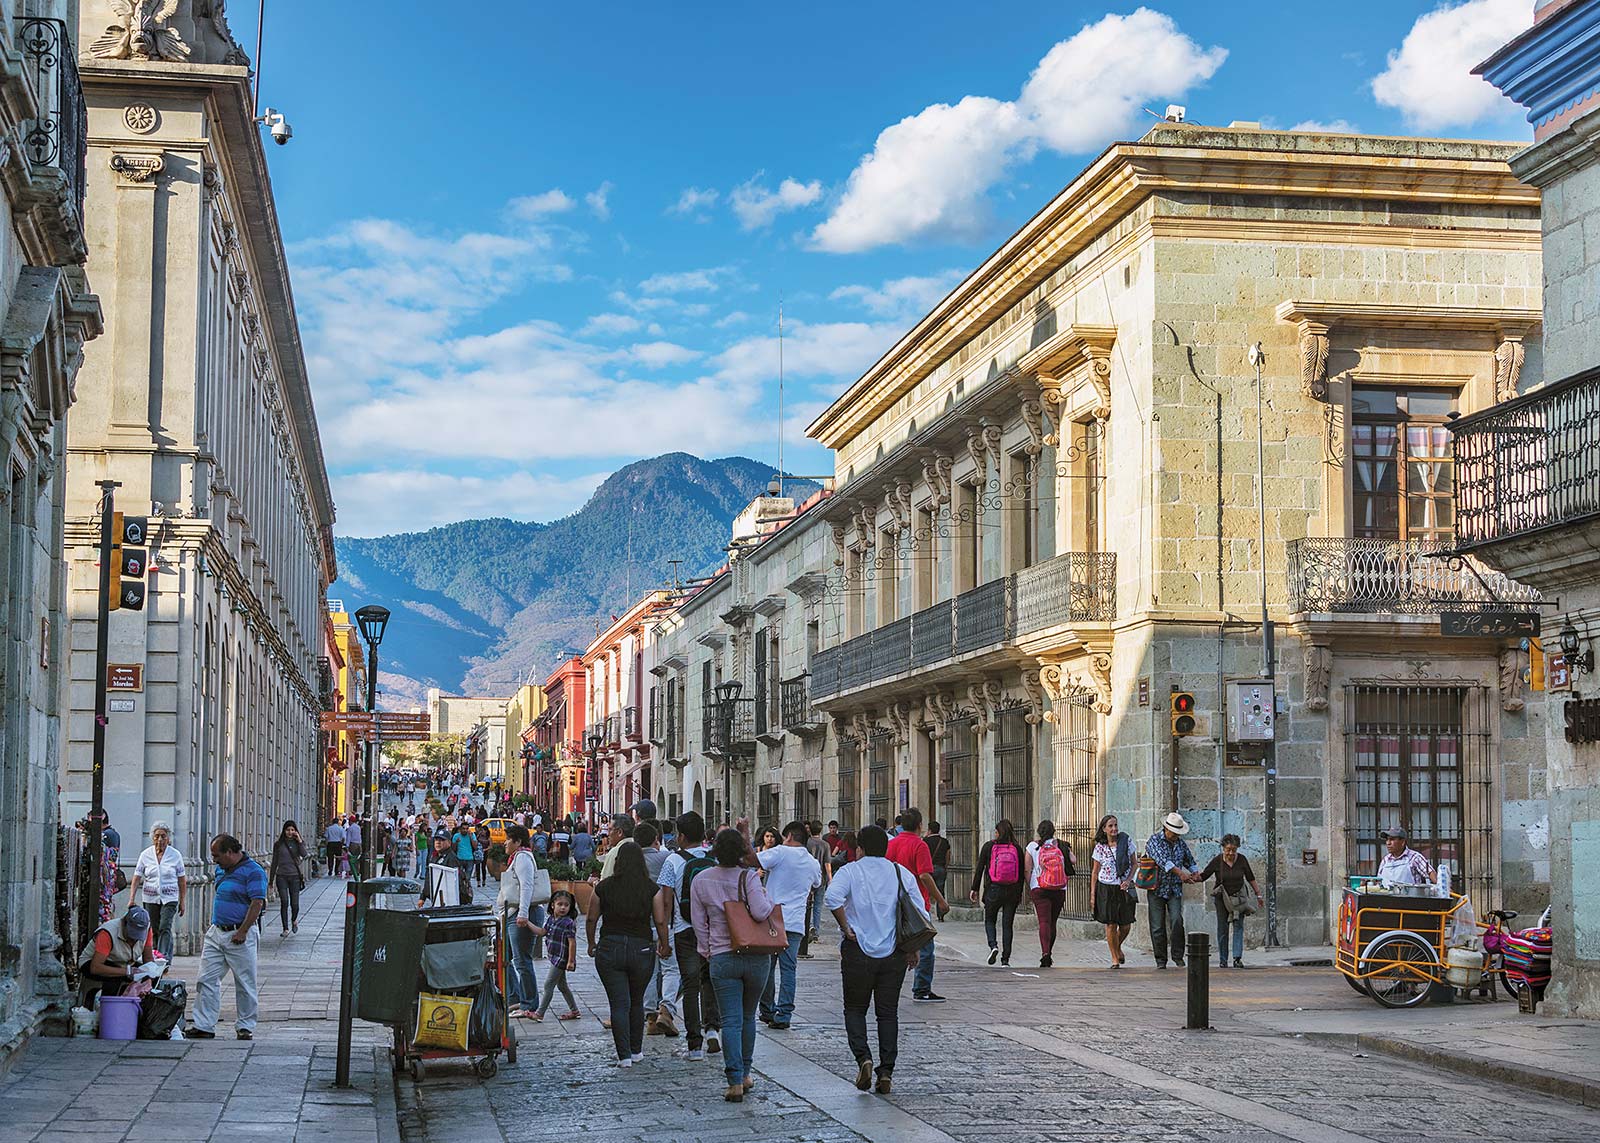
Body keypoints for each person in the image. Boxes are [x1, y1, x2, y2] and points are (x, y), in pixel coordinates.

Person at [825, 824, 927, 1096]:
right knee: (888, 1013)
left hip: (858, 951)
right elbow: (919, 910)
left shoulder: (850, 871)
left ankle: (863, 1058)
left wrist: (847, 927)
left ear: (860, 848)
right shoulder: (899, 872)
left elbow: (832, 897)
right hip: (894, 953)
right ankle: (886, 1072)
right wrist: (913, 948)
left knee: (855, 1009)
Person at [690, 828, 775, 1102]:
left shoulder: (701, 880)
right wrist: (768, 898)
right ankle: (747, 1072)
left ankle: (734, 1080)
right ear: (741, 852)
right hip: (755, 956)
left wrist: (707, 950)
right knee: (748, 1017)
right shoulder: (748, 877)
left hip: (722, 956)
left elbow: (698, 923)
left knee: (730, 1020)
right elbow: (762, 912)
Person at [585, 840, 672, 1067]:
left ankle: (623, 1056)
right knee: (636, 1001)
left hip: (610, 946)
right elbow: (660, 920)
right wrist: (664, 944)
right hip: (641, 948)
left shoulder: (603, 887)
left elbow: (592, 917)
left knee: (618, 1003)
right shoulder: (651, 888)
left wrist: (592, 942)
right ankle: (636, 1051)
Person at [186, 835, 267, 1040]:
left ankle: (245, 1026)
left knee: (245, 982)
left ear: (230, 852)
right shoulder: (222, 869)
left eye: (217, 855)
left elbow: (257, 902)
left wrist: (243, 931)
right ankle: (204, 1025)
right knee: (206, 979)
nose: (214, 860)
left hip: (240, 933)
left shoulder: (254, 872)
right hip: (217, 932)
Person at [657, 811, 720, 1062]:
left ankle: (695, 1045)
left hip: (685, 930)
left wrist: (664, 939)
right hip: (712, 928)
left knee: (690, 986)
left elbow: (666, 903)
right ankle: (713, 1029)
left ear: (681, 836)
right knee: (710, 981)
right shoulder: (713, 858)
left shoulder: (673, 861)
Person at [757, 821, 822, 1030]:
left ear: (790, 837)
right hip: (795, 921)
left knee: (767, 966)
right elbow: (817, 884)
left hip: (773, 918)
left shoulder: (780, 852)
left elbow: (754, 859)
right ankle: (784, 1014)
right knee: (789, 969)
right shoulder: (812, 863)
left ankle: (767, 1009)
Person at [886, 808, 948, 1001]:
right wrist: (941, 900)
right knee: (926, 946)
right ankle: (921, 988)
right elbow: (924, 875)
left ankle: (888, 985)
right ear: (920, 825)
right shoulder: (920, 846)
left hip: (893, 902)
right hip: (916, 904)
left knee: (893, 945)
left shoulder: (892, 844)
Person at [634, 822, 680, 1038]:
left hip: (640, 923)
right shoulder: (666, 858)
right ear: (656, 840)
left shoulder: (630, 861)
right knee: (671, 968)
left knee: (649, 972)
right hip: (665, 921)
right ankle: (666, 1010)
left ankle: (650, 1019)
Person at [969, 819, 1028, 967]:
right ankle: (1005, 960)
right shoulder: (1017, 848)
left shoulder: (989, 847)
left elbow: (980, 868)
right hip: (1012, 891)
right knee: (1007, 925)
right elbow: (1021, 874)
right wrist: (1019, 892)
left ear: (998, 832)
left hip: (993, 889)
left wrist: (974, 888)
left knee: (990, 920)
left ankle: (993, 945)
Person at [1200, 834, 1263, 968]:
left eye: (1234, 850)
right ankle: (1223, 960)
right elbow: (1204, 875)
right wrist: (1190, 877)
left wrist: (1258, 895)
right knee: (1223, 929)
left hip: (1239, 900)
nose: (1231, 853)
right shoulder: (1217, 861)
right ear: (1223, 848)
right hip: (1222, 900)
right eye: (1228, 849)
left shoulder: (1242, 860)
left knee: (1238, 927)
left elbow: (1251, 878)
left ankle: (1237, 958)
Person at [1145, 812, 1199, 969]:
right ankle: (1161, 959)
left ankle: (1177, 955)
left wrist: (1195, 872)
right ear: (1166, 829)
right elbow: (1163, 862)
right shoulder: (1154, 841)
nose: (1176, 836)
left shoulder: (1180, 844)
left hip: (1174, 888)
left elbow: (1189, 860)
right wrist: (1181, 873)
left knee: (1177, 921)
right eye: (1174, 833)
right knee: (1157, 926)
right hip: (1156, 887)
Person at [501, 825, 544, 1018]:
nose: (505, 843)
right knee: (504, 957)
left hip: (521, 914)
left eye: (508, 839)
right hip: (512, 913)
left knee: (522, 961)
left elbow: (526, 887)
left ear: (518, 842)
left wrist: (523, 914)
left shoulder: (523, 858)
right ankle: (515, 997)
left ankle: (529, 1004)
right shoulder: (517, 858)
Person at [128, 822, 187, 960]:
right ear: (152, 838)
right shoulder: (145, 855)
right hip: (150, 897)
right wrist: (131, 898)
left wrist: (182, 901)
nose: (160, 839)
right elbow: (137, 877)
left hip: (170, 897)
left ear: (168, 838)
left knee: (165, 926)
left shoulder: (175, 855)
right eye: (157, 836)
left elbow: (182, 880)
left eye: (163, 836)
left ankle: (163, 958)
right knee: (152, 928)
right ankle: (152, 955)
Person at [77, 906, 158, 1004]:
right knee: (114, 979)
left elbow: (148, 959)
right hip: (93, 963)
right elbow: (95, 967)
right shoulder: (107, 933)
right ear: (124, 923)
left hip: (123, 964)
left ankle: (138, 1011)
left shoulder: (147, 929)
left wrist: (149, 978)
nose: (134, 940)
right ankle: (109, 1011)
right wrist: (127, 971)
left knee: (154, 977)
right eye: (132, 935)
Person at [1089, 814, 1137, 968]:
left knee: (1125, 925)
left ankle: (1117, 946)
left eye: (1115, 825)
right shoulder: (1100, 847)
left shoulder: (1126, 841)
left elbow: (1135, 864)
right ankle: (1114, 958)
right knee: (1111, 924)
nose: (1114, 828)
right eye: (1110, 826)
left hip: (1124, 887)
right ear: (1104, 829)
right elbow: (1095, 872)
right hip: (1106, 888)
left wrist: (1128, 880)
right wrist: (1092, 894)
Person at [1026, 820, 1073, 968]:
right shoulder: (1061, 844)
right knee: (1052, 922)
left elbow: (1027, 869)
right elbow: (1074, 860)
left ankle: (1045, 953)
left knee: (1043, 922)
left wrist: (1031, 885)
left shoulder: (1032, 846)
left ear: (1039, 832)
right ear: (1053, 831)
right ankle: (1049, 953)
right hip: (1059, 888)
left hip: (1039, 888)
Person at [533, 890, 581, 1021]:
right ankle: (574, 1010)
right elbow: (542, 932)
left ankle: (539, 1013)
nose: (563, 907)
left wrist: (571, 961)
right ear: (553, 905)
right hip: (554, 957)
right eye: (560, 904)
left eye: (566, 905)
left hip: (561, 958)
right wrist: (528, 924)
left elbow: (572, 943)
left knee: (548, 985)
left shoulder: (568, 923)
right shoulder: (551, 919)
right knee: (562, 985)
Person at [268, 821, 307, 937]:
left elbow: (304, 854)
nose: (290, 832)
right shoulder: (278, 844)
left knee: (295, 904)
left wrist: (299, 841)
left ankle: (294, 920)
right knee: (284, 901)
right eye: (288, 830)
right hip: (281, 876)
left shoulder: (298, 843)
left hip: (295, 876)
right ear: (284, 831)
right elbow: (274, 862)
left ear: (295, 831)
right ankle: (285, 928)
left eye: (292, 830)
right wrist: (271, 880)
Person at [800, 820, 833, 957]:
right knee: (818, 906)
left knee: (804, 905)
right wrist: (830, 879)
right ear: (820, 830)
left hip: (806, 878)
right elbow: (827, 864)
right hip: (820, 879)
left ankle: (804, 930)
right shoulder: (825, 844)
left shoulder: (806, 843)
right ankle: (816, 931)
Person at [925, 821, 952, 922]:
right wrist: (946, 866)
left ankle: (926, 912)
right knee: (940, 891)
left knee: (926, 891)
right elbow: (948, 854)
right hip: (940, 868)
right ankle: (940, 915)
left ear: (929, 830)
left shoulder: (925, 841)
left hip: (929, 869)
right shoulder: (944, 841)